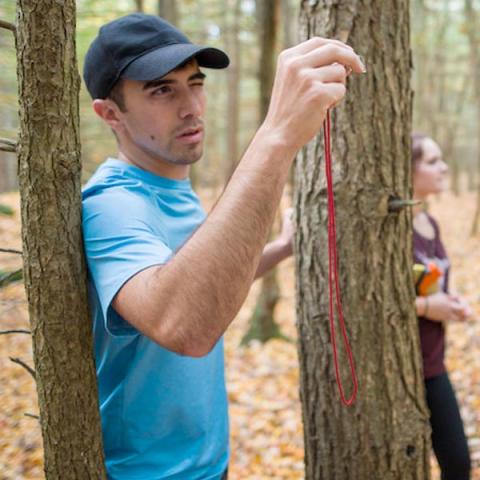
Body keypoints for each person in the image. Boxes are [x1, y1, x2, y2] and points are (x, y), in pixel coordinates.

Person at [82, 13, 365, 479]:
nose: (192, 106)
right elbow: (183, 323)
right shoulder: (111, 205)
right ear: (110, 113)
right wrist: (275, 137)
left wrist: (279, 248)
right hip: (146, 472)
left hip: (209, 463)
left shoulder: (170, 186)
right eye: (162, 90)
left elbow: (195, 276)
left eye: (195, 83)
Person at [412, 133, 472, 480]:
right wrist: (425, 307)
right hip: (405, 365)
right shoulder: (396, 229)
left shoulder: (430, 224)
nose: (444, 168)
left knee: (458, 464)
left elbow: (436, 285)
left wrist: (451, 303)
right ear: (408, 169)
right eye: (432, 161)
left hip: (434, 363)